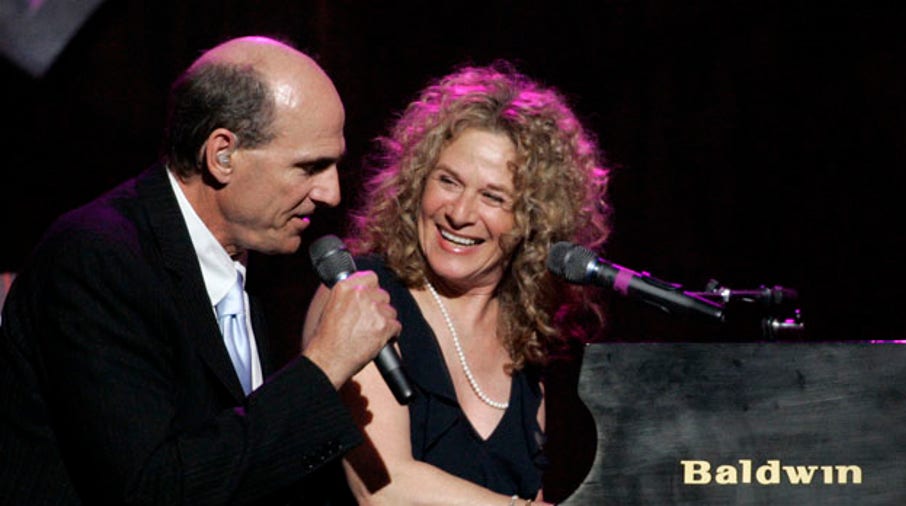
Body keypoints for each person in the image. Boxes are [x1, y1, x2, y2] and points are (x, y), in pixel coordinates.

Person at [0, 36, 400, 504]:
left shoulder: (252, 256)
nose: (331, 192)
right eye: (310, 166)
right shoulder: (98, 259)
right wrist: (325, 365)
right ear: (222, 155)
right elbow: (153, 489)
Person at [304, 62, 612, 505]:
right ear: (415, 182)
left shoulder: (523, 341)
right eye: (448, 181)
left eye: (493, 197)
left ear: (533, 221)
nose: (461, 212)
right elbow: (387, 490)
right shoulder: (359, 293)